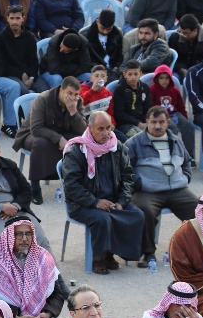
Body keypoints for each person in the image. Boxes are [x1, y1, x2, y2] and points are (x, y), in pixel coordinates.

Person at [63, 109, 146, 272]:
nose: (106, 133)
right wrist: (95, 202)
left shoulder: (117, 147)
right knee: (102, 219)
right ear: (90, 128)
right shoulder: (77, 150)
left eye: (108, 128)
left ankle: (110, 253)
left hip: (112, 200)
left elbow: (128, 177)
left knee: (137, 215)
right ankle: (98, 259)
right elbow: (71, 186)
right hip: (82, 204)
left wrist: (121, 201)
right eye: (100, 129)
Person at [126, 106, 199, 267]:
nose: (157, 126)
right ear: (147, 122)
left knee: (200, 210)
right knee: (144, 210)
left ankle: (194, 251)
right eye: (153, 122)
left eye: (161, 122)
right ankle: (148, 252)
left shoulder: (176, 140)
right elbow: (125, 169)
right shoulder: (134, 143)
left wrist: (185, 178)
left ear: (168, 122)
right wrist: (139, 183)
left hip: (177, 189)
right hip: (148, 191)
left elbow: (187, 161)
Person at [0, 217, 69, 318]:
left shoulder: (43, 258)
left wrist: (47, 313)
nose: (24, 239)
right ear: (9, 236)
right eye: (18, 234)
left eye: (28, 234)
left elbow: (57, 294)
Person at [12, 77, 87, 199]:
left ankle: (75, 181)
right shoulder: (43, 99)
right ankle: (35, 186)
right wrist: (58, 139)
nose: (73, 97)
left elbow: (83, 131)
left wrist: (74, 112)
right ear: (61, 90)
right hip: (32, 134)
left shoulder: (77, 102)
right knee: (41, 144)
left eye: (76, 94)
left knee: (79, 141)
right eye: (69, 93)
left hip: (60, 132)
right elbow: (36, 128)